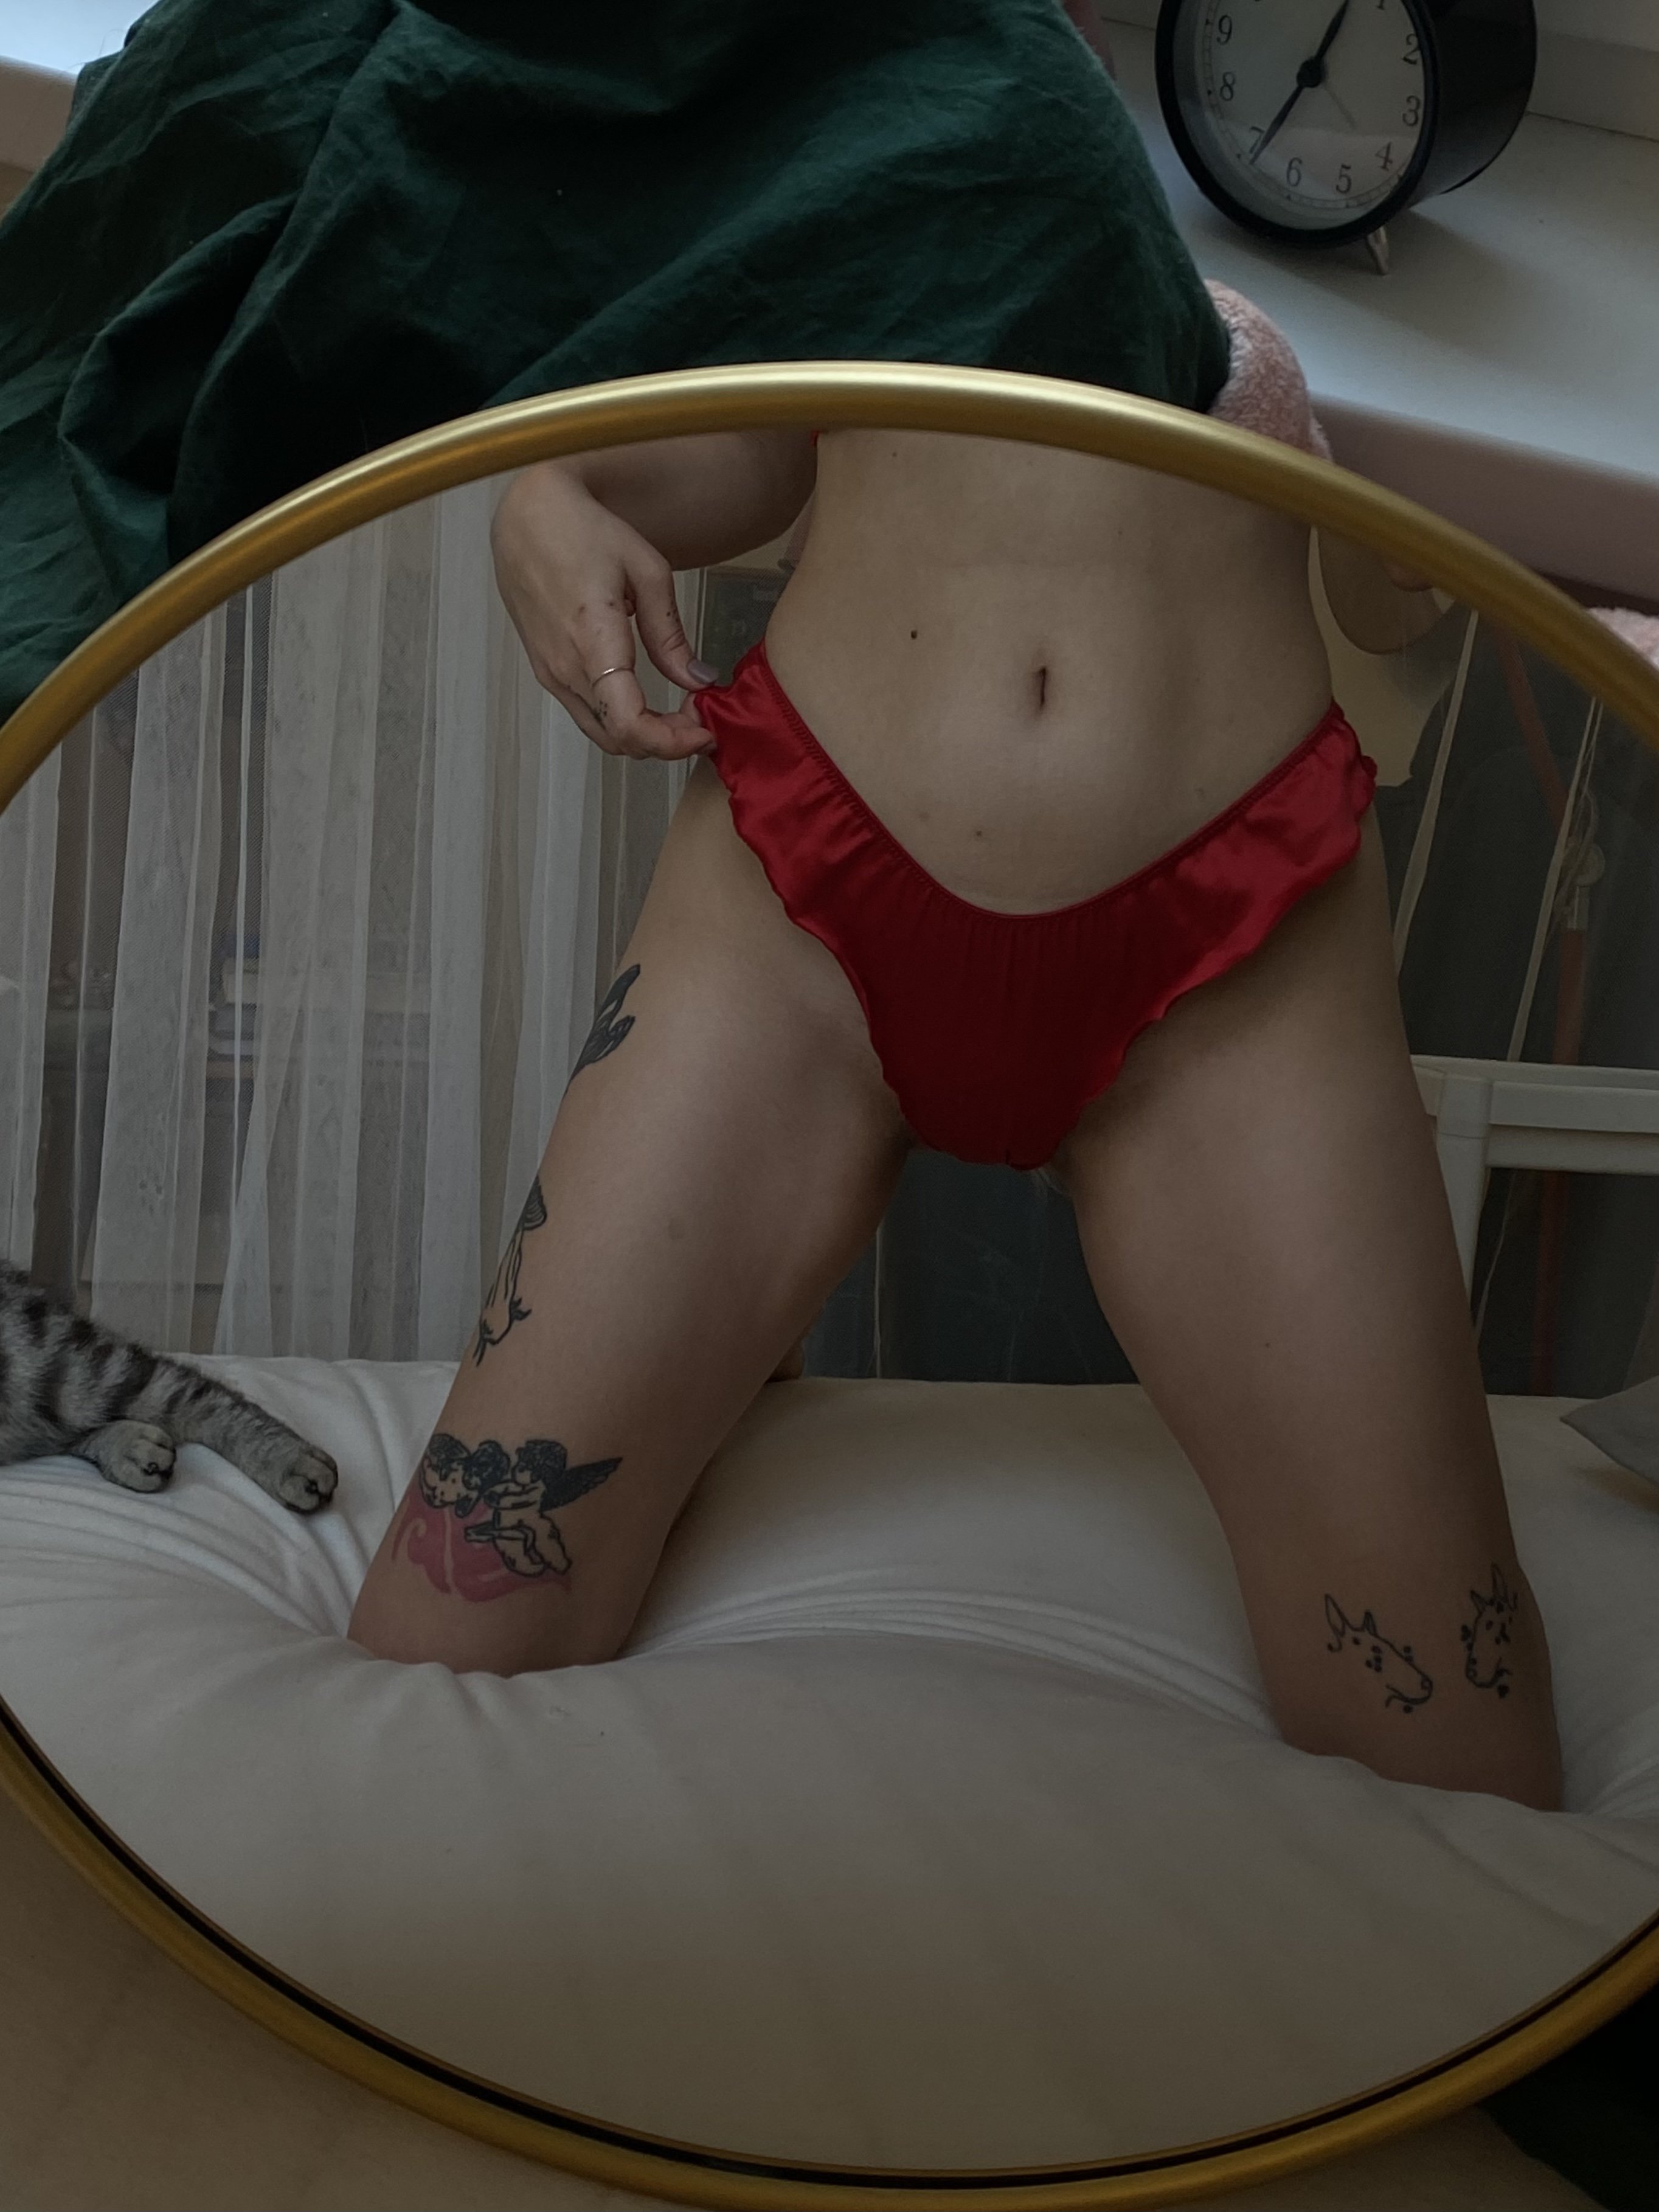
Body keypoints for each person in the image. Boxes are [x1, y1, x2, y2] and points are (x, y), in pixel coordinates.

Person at [347, 411, 1563, 1815]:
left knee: (1464, 1777)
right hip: (798, 881)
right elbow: (779, 440)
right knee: (445, 1644)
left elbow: (1389, 573)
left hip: (1239, 922)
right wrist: (558, 490)